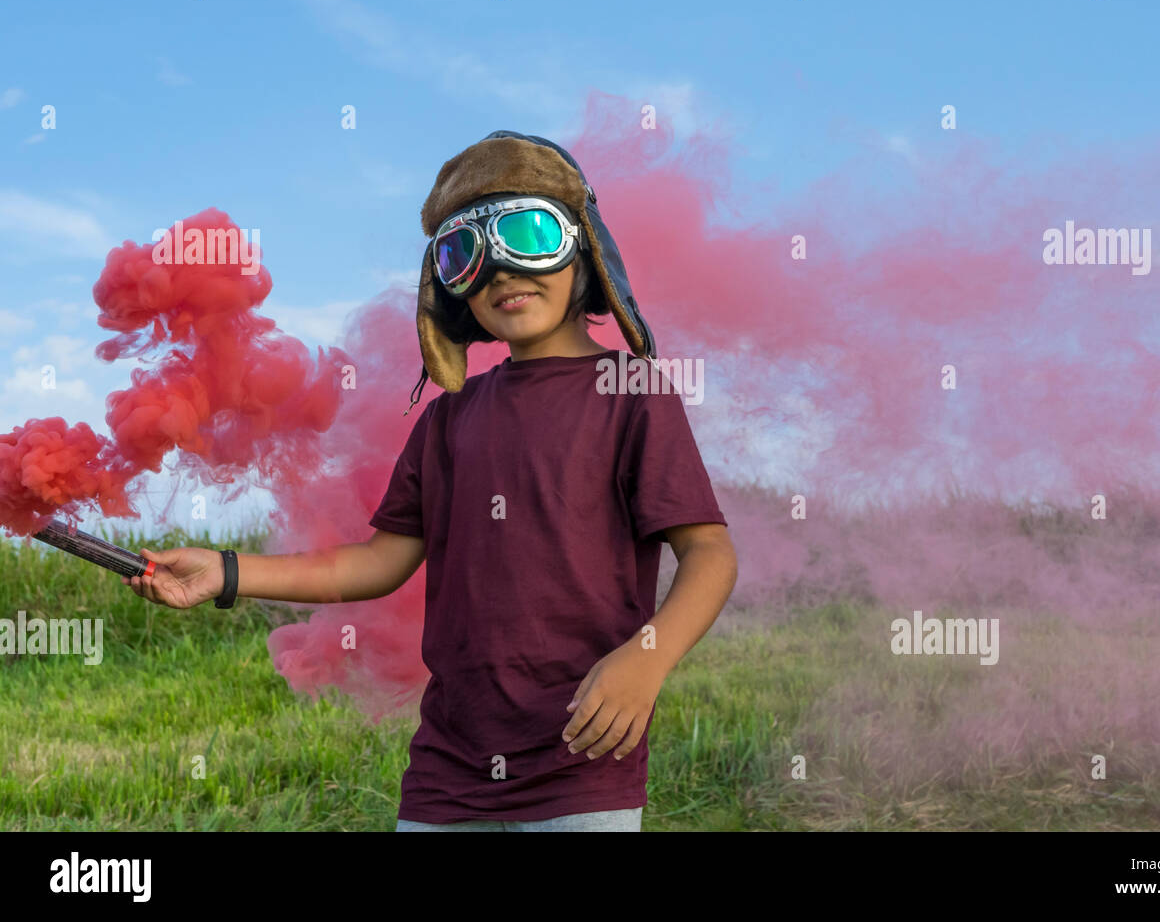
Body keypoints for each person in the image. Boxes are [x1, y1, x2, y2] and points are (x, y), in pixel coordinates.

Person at [122, 131, 738, 833]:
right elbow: (378, 561)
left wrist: (645, 661)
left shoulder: (632, 394)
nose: (502, 271)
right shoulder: (448, 420)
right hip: (449, 769)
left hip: (582, 760)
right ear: (448, 287)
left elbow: (711, 554)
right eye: (464, 253)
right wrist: (223, 571)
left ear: (584, 246)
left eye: (527, 231)